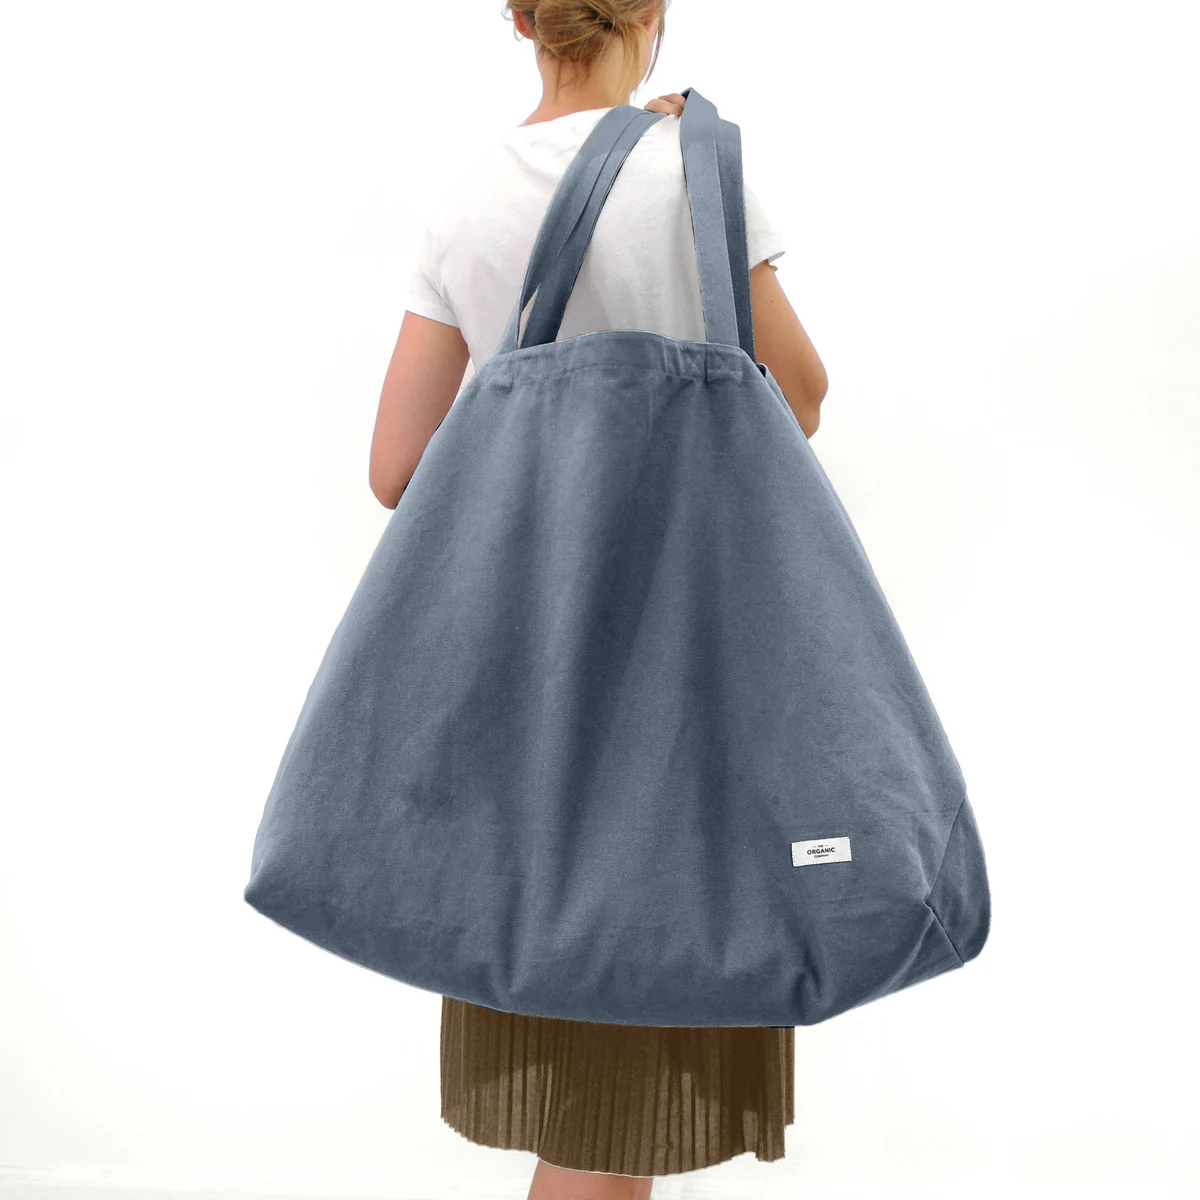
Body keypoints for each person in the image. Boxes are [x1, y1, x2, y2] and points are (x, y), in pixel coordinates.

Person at [369, 2, 828, 1196]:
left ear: (521, 16)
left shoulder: (467, 199)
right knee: (617, 1103)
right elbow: (801, 395)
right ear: (653, 15)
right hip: (686, 674)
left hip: (531, 677)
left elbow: (397, 469)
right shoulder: (696, 174)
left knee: (584, 1066)